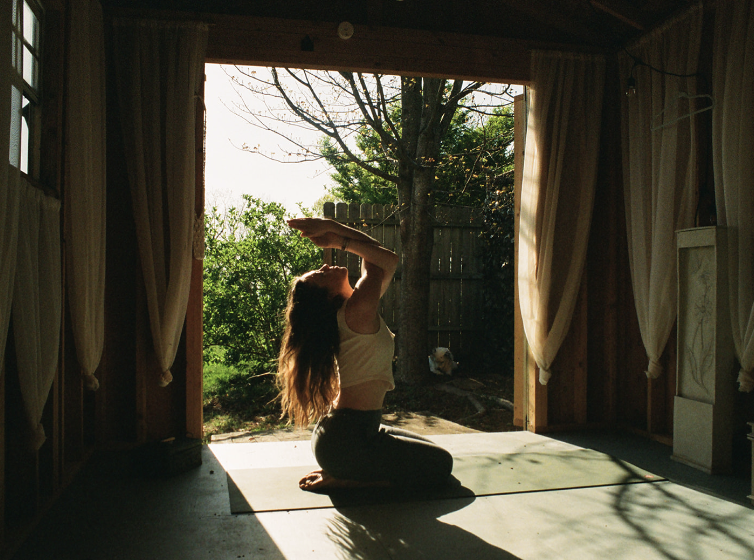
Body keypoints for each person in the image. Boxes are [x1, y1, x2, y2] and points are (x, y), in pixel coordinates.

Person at [279, 217, 453, 492]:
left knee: (430, 450)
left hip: (348, 433)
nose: (324, 266)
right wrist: (336, 236)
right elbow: (385, 259)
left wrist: (332, 227)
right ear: (326, 297)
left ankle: (344, 469)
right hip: (347, 440)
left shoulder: (354, 306)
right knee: (442, 465)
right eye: (320, 275)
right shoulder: (356, 310)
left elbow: (382, 258)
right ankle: (349, 478)